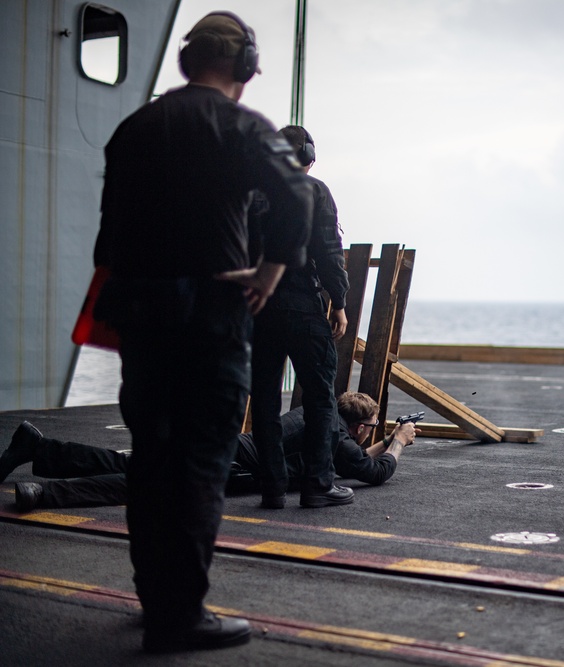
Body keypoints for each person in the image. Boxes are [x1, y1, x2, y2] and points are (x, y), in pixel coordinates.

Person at [92, 12, 313, 653]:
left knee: (152, 461)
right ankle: (180, 614)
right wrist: (269, 274)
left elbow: (110, 239)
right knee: (201, 461)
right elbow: (296, 199)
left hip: (141, 315)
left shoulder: (135, 127)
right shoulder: (241, 126)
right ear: (244, 68)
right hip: (210, 317)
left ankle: (156, 600)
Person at [2, 393, 419, 511]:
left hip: (226, 444)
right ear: (358, 427)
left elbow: (357, 460)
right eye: (370, 429)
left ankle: (40, 447)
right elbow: (374, 471)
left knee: (130, 465)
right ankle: (46, 495)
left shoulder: (318, 416)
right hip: (232, 466)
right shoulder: (340, 440)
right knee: (144, 486)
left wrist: (386, 439)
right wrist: (400, 440)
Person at [250, 125, 351, 510]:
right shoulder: (315, 191)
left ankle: (272, 488)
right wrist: (338, 302)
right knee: (320, 398)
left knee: (263, 399)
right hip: (301, 306)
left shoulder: (253, 194)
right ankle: (317, 485)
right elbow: (328, 251)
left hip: (259, 309)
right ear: (308, 155)